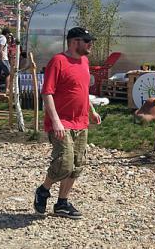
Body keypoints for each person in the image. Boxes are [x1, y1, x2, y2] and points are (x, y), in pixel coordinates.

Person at [33, 27, 101, 219]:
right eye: (86, 41)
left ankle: (62, 203)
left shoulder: (85, 61)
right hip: (61, 122)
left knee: (77, 164)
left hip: (81, 121)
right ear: (74, 42)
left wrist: (92, 111)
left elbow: (82, 90)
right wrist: (55, 121)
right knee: (64, 163)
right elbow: (47, 92)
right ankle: (44, 190)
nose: (90, 44)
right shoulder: (58, 61)